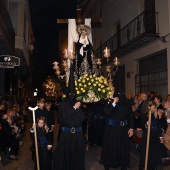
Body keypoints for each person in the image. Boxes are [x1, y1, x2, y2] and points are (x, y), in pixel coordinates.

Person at [53, 62, 85, 170]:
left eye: (74, 94)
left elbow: (82, 118)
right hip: (66, 135)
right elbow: (62, 118)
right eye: (71, 94)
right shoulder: (62, 104)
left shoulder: (78, 103)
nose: (72, 95)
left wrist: (78, 109)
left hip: (77, 134)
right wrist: (74, 109)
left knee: (77, 156)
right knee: (65, 157)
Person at [101, 95, 134, 170]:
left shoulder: (127, 104)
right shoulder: (110, 103)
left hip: (123, 129)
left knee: (123, 147)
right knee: (111, 147)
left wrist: (131, 128)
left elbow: (131, 117)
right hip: (112, 130)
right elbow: (107, 112)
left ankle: (123, 164)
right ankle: (108, 163)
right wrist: (113, 103)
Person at [139, 101, 166, 170]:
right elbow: (142, 125)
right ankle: (146, 166)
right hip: (148, 136)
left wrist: (160, 137)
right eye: (152, 108)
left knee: (154, 152)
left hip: (155, 136)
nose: (153, 109)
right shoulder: (145, 115)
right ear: (149, 107)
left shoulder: (155, 115)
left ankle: (152, 165)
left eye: (154, 108)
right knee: (147, 152)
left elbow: (158, 126)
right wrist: (146, 124)